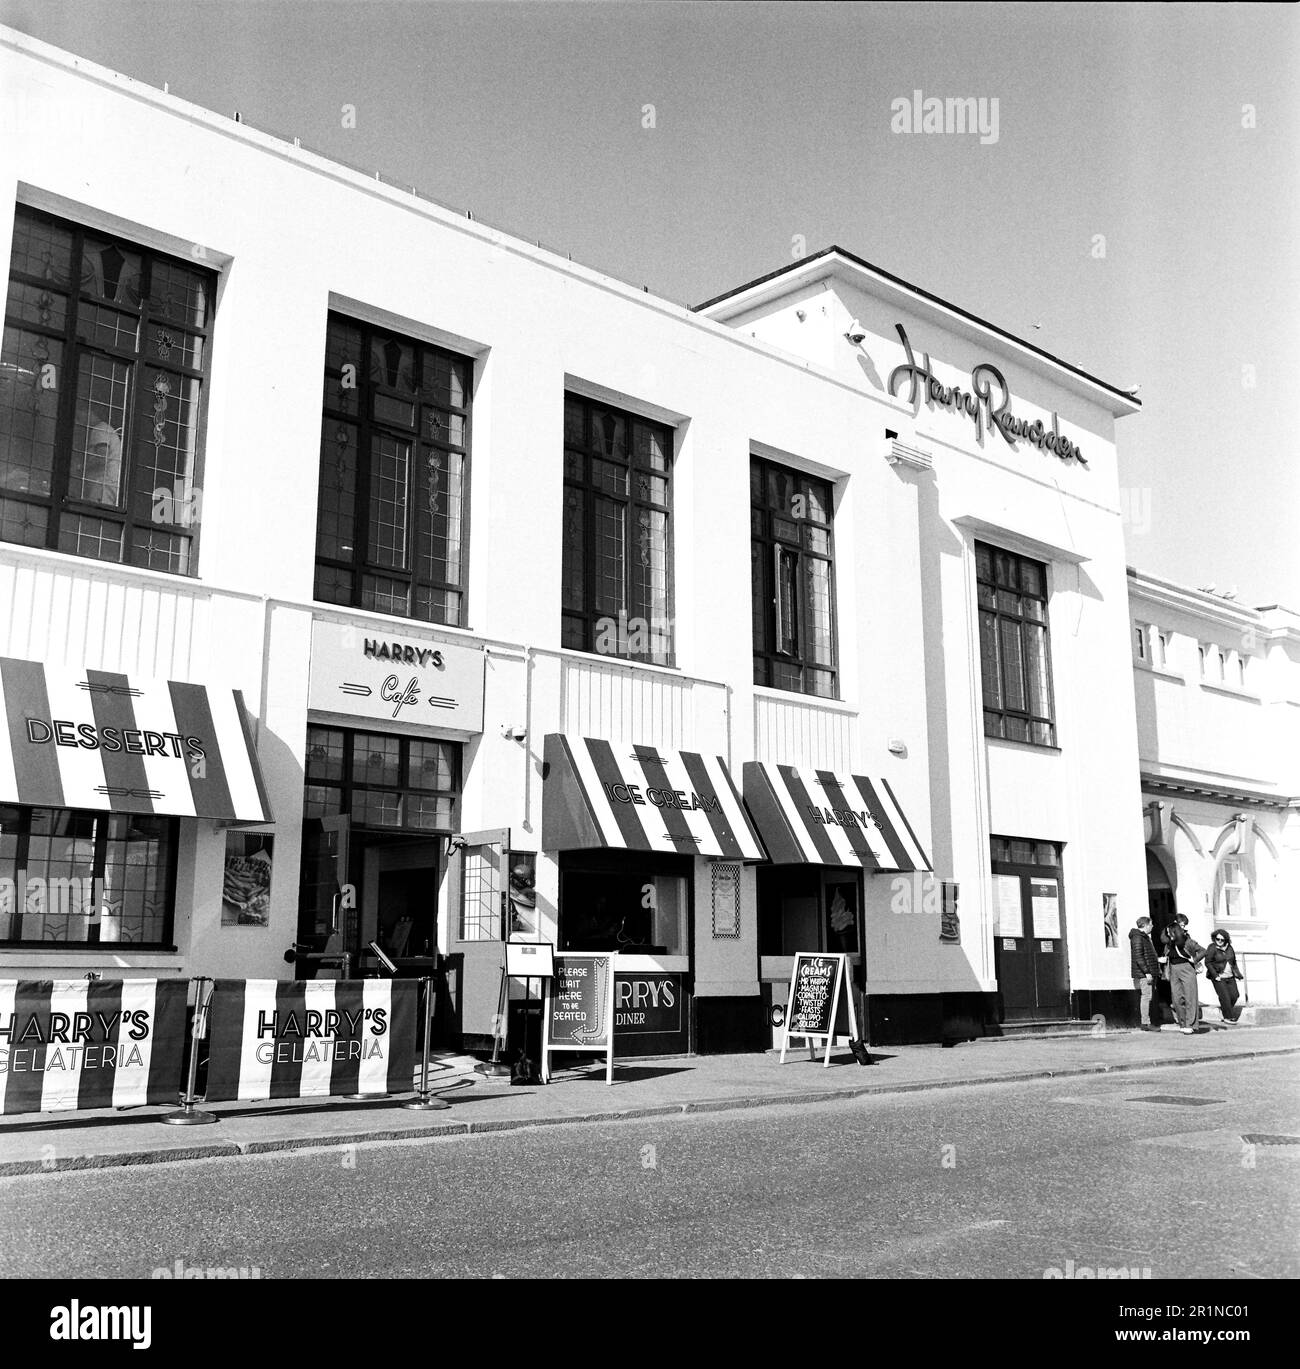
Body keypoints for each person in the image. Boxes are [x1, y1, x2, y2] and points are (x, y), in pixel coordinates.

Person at [1162, 914, 1206, 1034]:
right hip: (1173, 969)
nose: (1168, 935)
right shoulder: (1169, 943)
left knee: (1190, 997)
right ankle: (1182, 1023)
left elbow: (1203, 950)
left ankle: (1190, 1024)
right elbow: (1163, 939)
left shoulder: (1188, 941)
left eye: (1170, 933)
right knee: (1176, 998)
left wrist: (1195, 960)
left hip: (1187, 969)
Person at [1204, 929, 1244, 1023]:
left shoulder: (1230, 948)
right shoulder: (1212, 947)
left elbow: (1233, 961)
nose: (1220, 941)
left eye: (1222, 940)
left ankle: (1224, 1010)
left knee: (1235, 995)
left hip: (1230, 976)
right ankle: (1228, 1017)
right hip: (1218, 977)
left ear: (1226, 940)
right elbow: (1208, 962)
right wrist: (1215, 975)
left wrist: (1237, 973)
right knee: (1224, 996)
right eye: (1218, 939)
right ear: (1214, 938)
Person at [1129, 915, 1161, 1030]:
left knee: (1148, 996)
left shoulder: (1144, 937)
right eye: (1151, 924)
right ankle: (1145, 1023)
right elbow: (1139, 956)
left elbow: (1146, 955)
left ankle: (1147, 1022)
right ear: (1145, 925)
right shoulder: (1138, 937)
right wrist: (1147, 972)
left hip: (1148, 971)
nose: (1152, 926)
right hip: (1144, 973)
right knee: (1146, 996)